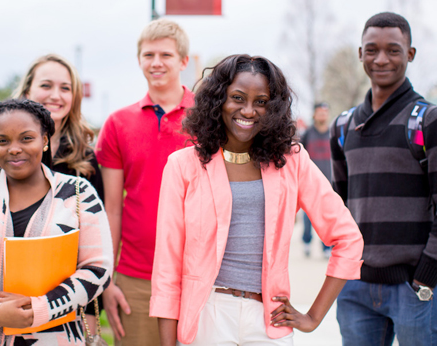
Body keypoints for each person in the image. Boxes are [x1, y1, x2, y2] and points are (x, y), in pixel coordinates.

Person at [150, 54, 364, 346]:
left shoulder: (291, 161)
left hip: (269, 319)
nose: (248, 110)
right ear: (218, 100)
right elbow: (167, 265)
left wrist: (313, 317)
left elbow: (348, 239)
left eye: (261, 101)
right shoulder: (183, 165)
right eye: (237, 97)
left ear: (273, 108)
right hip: (207, 315)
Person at [330, 12, 437, 346]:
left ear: (410, 54)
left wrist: (424, 279)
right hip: (355, 289)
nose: (381, 59)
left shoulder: (433, 120)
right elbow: (340, 208)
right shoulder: (343, 127)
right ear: (360, 53)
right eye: (372, 49)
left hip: (416, 288)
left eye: (393, 50)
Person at [0, 99, 113, 345]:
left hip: (56, 337)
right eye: (3, 141)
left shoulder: (78, 193)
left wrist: (41, 309)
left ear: (45, 140)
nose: (14, 148)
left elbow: (98, 268)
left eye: (27, 138)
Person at [0, 54, 105, 325]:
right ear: (28, 89)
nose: (56, 95)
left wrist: (88, 310)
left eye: (65, 88)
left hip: (62, 298)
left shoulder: (84, 158)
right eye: (46, 85)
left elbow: (93, 244)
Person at [94, 18, 193, 345]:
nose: (156, 62)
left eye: (165, 54)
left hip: (198, 273)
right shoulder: (118, 124)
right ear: (139, 61)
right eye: (148, 55)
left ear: (183, 61)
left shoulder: (209, 119)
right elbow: (112, 208)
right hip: (137, 277)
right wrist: (107, 281)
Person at [299, 102, 333, 258]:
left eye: (325, 112)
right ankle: (306, 241)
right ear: (314, 115)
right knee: (308, 215)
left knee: (327, 215)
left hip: (329, 182)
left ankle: (327, 246)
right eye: (319, 112)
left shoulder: (333, 133)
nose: (322, 115)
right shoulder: (307, 134)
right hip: (310, 182)